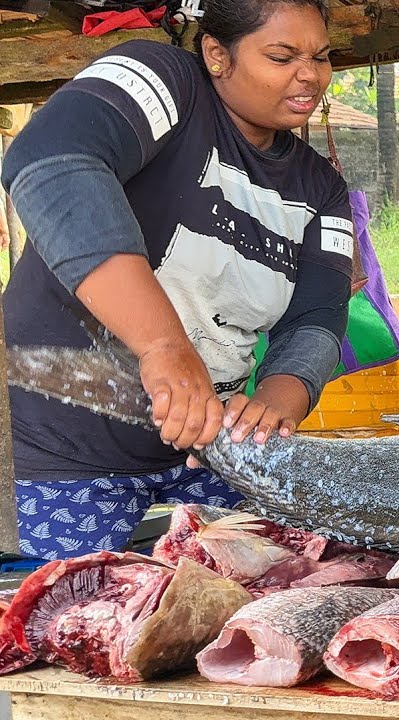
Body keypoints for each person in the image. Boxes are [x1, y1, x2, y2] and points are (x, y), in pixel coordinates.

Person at [1, 0, 353, 560]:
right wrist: (163, 346)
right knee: (63, 622)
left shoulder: (321, 189)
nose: (309, 75)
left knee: (274, 596)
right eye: (282, 56)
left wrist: (277, 400)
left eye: (321, 57)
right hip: (62, 447)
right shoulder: (167, 83)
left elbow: (318, 318)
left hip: (207, 447)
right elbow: (52, 159)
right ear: (217, 53)